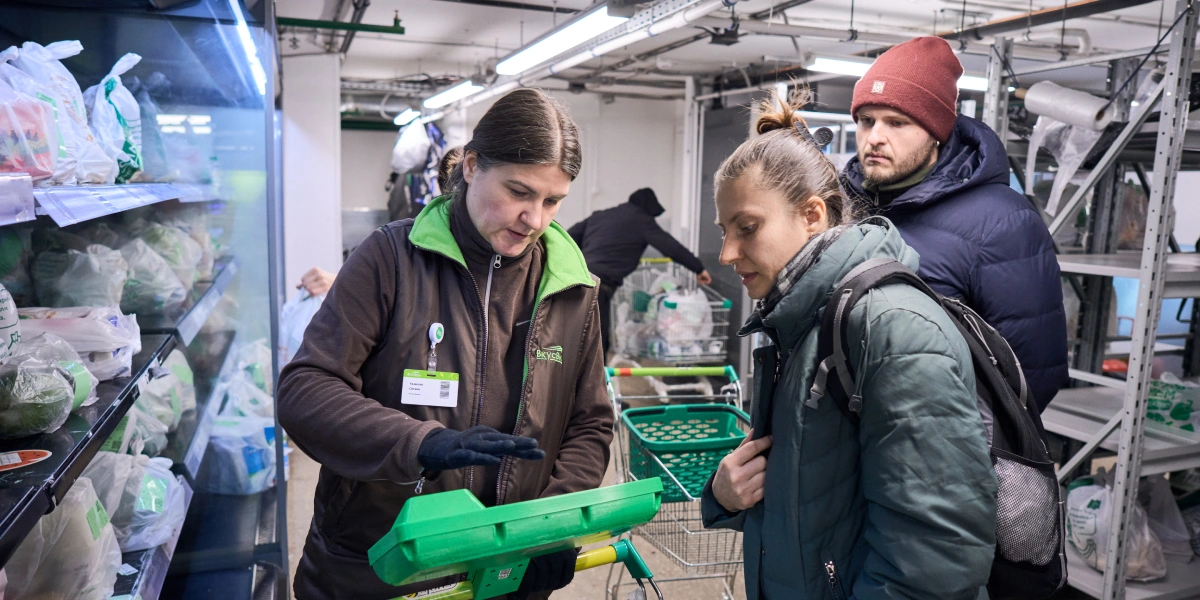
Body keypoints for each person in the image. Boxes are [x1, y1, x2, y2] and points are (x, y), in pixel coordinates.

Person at [278, 88, 613, 600]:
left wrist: (554, 524)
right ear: (473, 167)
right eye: (519, 192)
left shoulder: (572, 288)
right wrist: (418, 443)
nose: (536, 219)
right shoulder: (391, 258)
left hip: (504, 570)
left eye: (552, 201)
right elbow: (306, 388)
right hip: (378, 565)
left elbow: (589, 424)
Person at [701, 91, 997, 599]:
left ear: (812, 215)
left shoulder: (892, 328)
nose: (727, 252)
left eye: (747, 228)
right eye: (724, 230)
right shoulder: (800, 321)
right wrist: (723, 494)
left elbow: (937, 554)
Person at [839, 36, 1068, 411]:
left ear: (936, 133)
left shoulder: (1002, 222)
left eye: (896, 122)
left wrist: (940, 438)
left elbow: (1033, 374)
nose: (875, 138)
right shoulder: (844, 204)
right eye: (866, 121)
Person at [567, 187, 712, 354]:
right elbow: (670, 246)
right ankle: (593, 372)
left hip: (575, 279)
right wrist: (698, 268)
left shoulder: (599, 216)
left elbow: (569, 237)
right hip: (597, 285)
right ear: (648, 208)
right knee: (597, 342)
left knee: (574, 336)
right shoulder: (642, 220)